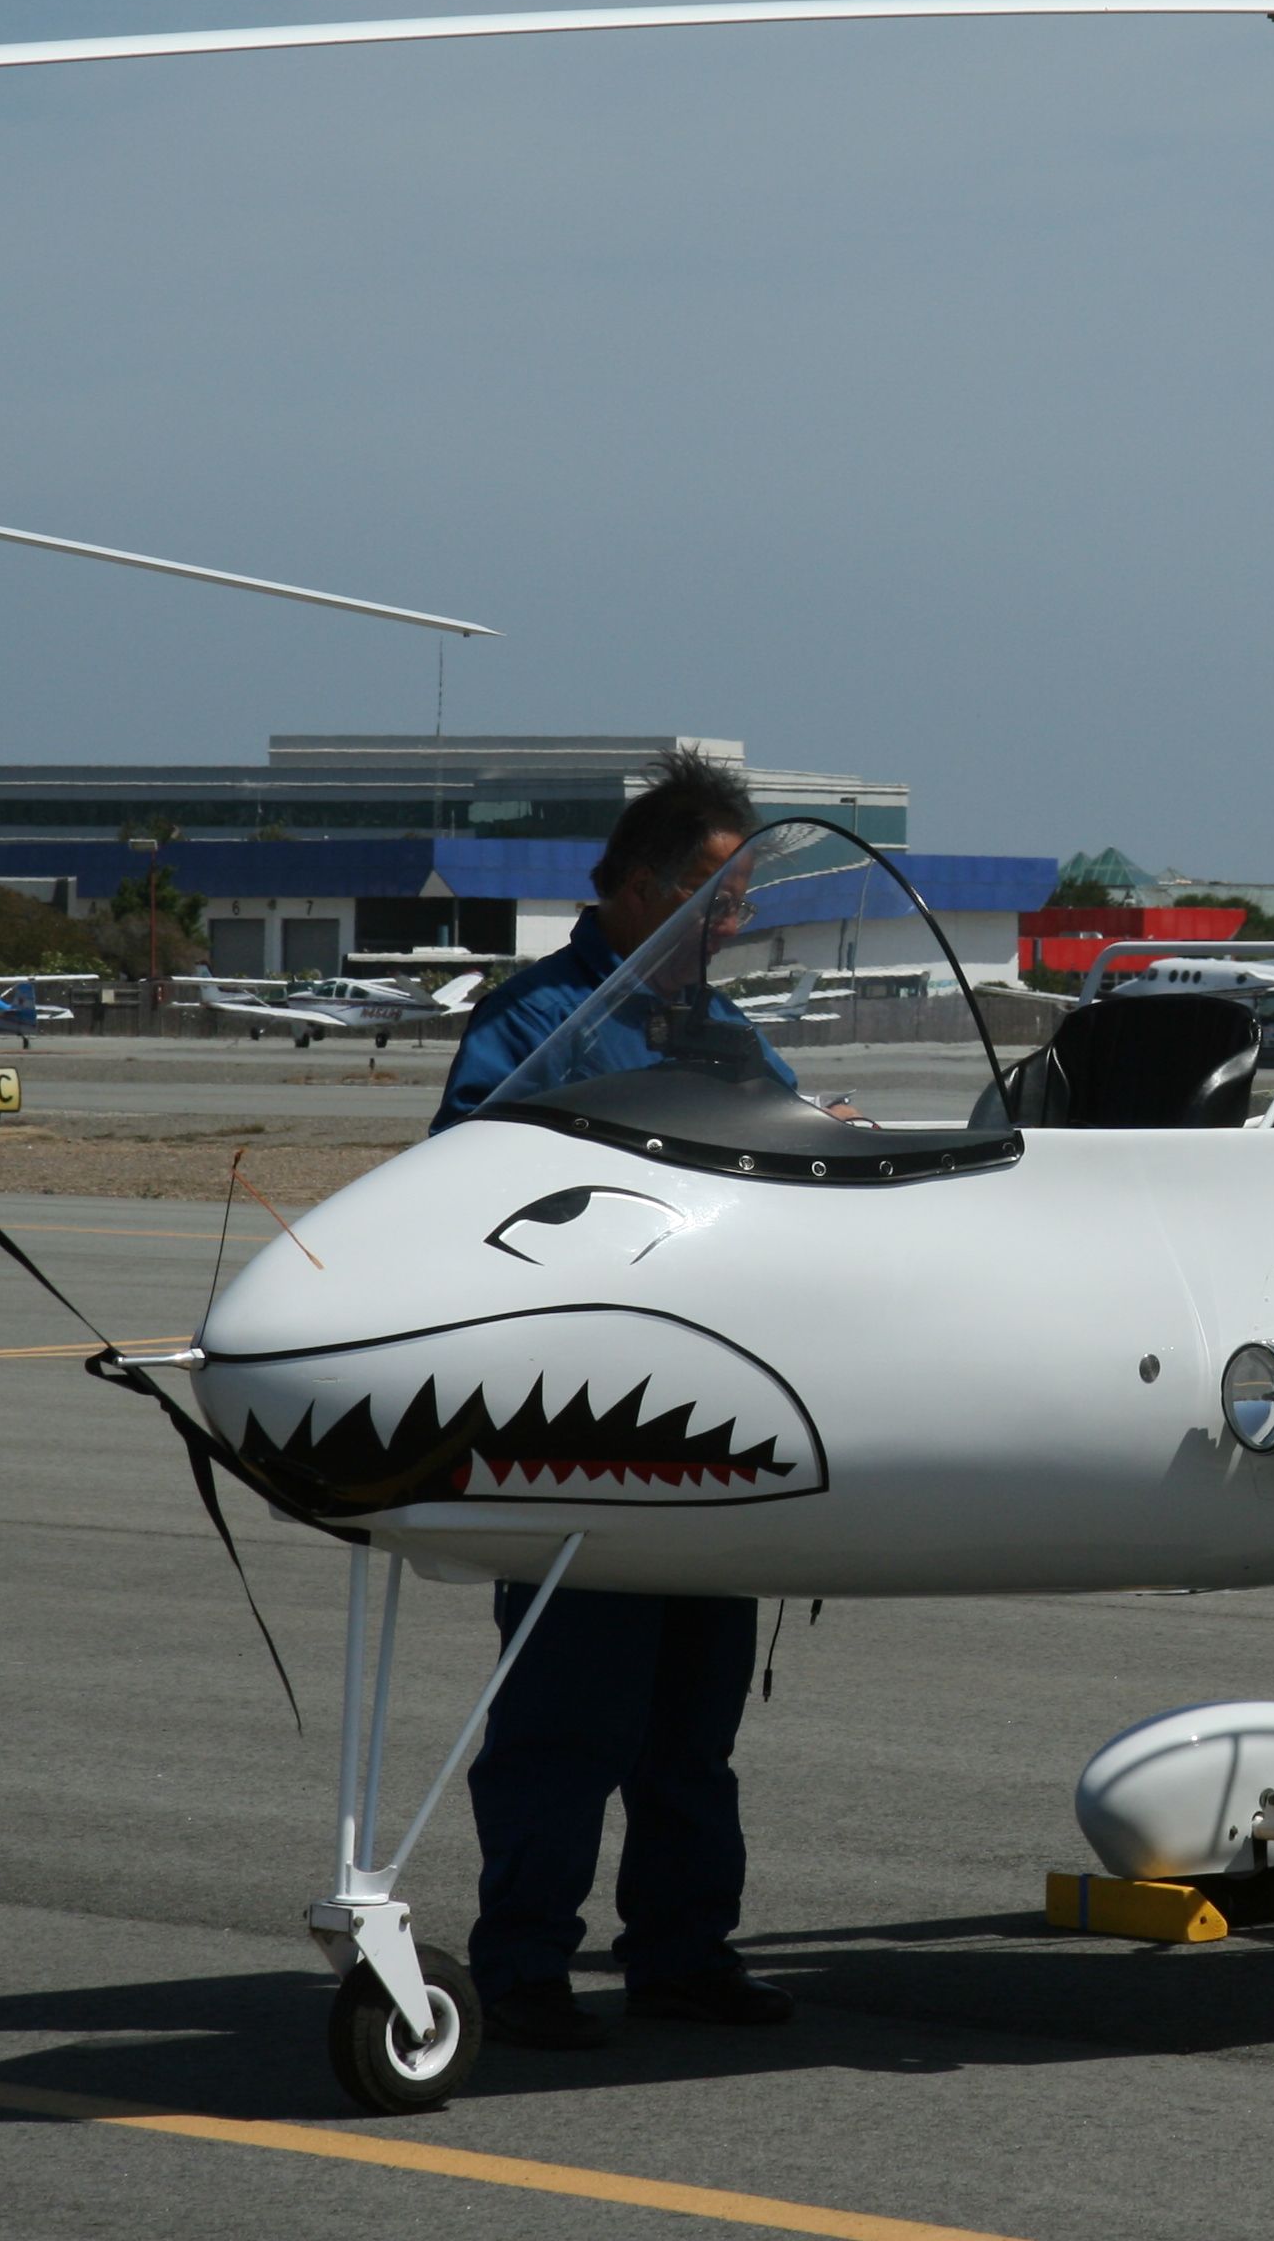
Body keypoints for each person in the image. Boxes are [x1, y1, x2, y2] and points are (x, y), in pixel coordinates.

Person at [430, 750, 806, 2049]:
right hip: (581, 1438)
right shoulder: (534, 1022)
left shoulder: (725, 1030)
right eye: (719, 886)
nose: (738, 912)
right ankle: (525, 1968)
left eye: (748, 889)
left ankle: (685, 1957)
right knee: (564, 1725)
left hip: (710, 1433)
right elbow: (466, 1189)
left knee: (692, 1730)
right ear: (638, 890)